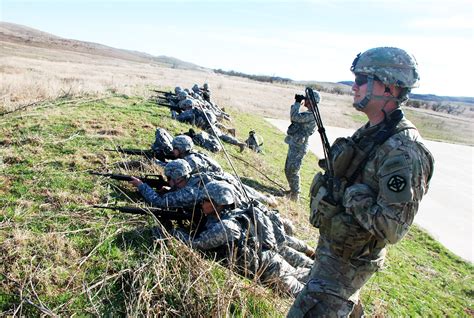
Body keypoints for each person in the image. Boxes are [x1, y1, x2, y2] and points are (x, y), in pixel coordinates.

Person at [287, 47, 434, 317]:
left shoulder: (404, 151)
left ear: (389, 88)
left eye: (361, 80)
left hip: (346, 268)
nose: (353, 86)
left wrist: (351, 195)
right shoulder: (372, 132)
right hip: (334, 255)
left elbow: (393, 228)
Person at [170, 181, 310, 296]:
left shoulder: (227, 227)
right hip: (272, 260)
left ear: (218, 203)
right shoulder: (233, 213)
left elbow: (196, 244)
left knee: (305, 294)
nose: (201, 203)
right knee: (308, 278)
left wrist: (174, 232)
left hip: (271, 271)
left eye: (206, 200)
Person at [284, 91, 318, 201]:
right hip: (296, 144)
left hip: (300, 146)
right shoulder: (310, 113)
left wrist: (298, 103)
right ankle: (292, 190)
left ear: (313, 102)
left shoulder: (312, 115)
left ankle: (295, 194)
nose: (305, 100)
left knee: (293, 169)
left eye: (307, 99)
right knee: (288, 168)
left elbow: (294, 117)